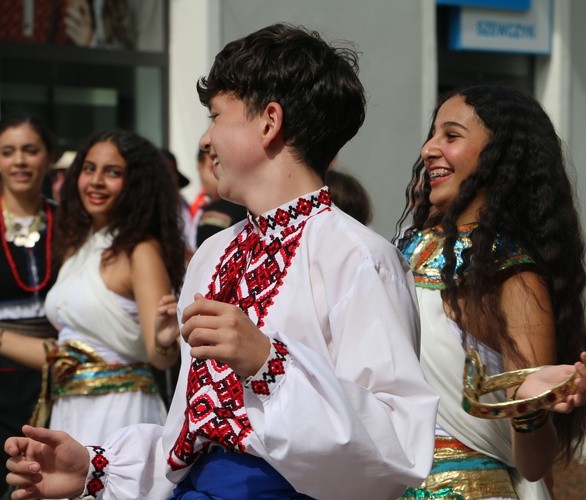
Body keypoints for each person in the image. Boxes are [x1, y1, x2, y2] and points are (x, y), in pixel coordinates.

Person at [5, 23, 441, 500]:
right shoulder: (214, 253)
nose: (207, 138)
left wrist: (268, 364)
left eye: (216, 116)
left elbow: (394, 445)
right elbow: (194, 435)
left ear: (269, 121)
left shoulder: (357, 256)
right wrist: (96, 468)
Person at [396, 84, 586, 499]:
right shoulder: (401, 253)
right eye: (433, 135)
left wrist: (528, 409)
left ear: (500, 157)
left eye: (451, 137)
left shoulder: (514, 277)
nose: (429, 149)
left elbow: (534, 464)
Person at [0, 130, 185, 447]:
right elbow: (67, 353)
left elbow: (160, 357)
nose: (96, 181)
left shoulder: (141, 251)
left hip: (122, 417)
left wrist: (167, 340)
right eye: (89, 169)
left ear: (135, 183)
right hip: (68, 412)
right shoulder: (78, 247)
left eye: (113, 172)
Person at [0, 115, 58, 499]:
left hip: (59, 383)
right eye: (7, 152)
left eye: (30, 150)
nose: (19, 161)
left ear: (48, 158)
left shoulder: (69, 221)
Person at [193, 149, 245, 249]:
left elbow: (207, 261)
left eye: (199, 169)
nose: (201, 180)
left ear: (210, 163)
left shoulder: (215, 213)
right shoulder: (252, 206)